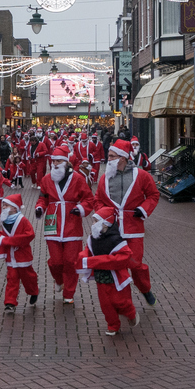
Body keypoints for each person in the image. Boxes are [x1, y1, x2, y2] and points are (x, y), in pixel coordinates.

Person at [96, 139, 160, 308]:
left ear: (122, 158)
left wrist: (143, 209)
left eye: (111, 156)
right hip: (112, 230)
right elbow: (99, 201)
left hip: (134, 229)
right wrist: (103, 216)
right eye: (108, 156)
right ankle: (124, 303)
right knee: (118, 266)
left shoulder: (142, 176)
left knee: (135, 264)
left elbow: (153, 195)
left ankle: (145, 288)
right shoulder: (105, 178)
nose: (108, 159)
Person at [35, 144, 95, 304]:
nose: (55, 164)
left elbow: (89, 199)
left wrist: (81, 208)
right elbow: (43, 198)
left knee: (70, 261)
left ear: (66, 162)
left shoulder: (77, 178)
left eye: (59, 160)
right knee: (56, 261)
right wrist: (40, 208)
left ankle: (69, 293)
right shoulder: (46, 179)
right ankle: (59, 280)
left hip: (71, 222)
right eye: (53, 160)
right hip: (52, 223)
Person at [76, 207, 138, 337]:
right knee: (106, 304)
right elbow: (87, 251)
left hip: (116, 279)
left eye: (95, 221)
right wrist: (81, 259)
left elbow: (123, 257)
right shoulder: (93, 239)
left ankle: (131, 313)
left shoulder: (116, 240)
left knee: (120, 301)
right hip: (101, 277)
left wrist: (96, 261)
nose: (92, 225)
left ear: (105, 223)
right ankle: (113, 325)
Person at [0, 193, 38, 313]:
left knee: (28, 277)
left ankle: (33, 291)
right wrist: (1, 240)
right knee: (11, 278)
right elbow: (3, 235)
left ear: (14, 207)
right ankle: (10, 302)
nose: (3, 207)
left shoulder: (22, 220)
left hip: (23, 256)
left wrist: (8, 241)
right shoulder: (4, 220)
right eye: (3, 205)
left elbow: (30, 235)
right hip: (11, 257)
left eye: (6, 205)